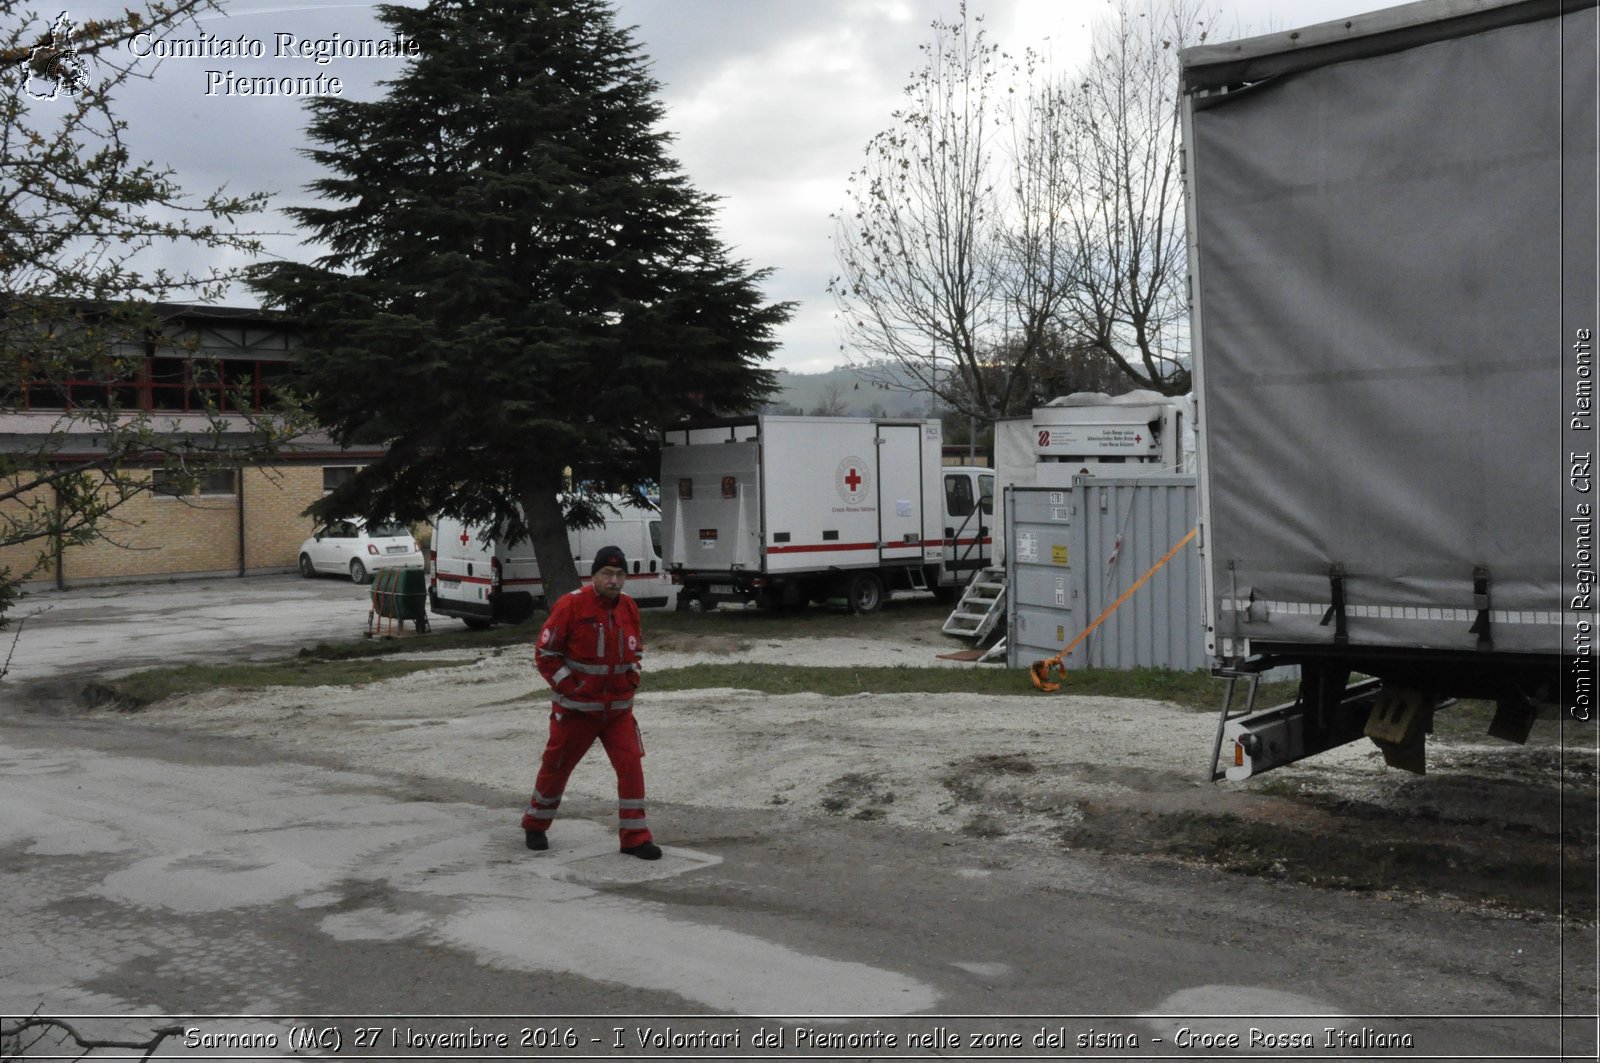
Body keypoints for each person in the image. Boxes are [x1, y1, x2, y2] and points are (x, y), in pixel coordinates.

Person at [522, 544, 661, 860]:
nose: (614, 580)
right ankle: (536, 824)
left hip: (618, 714)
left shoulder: (628, 607)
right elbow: (545, 654)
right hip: (576, 713)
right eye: (607, 574)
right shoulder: (570, 605)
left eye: (620, 574)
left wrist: (632, 679)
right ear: (594, 575)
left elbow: (636, 649)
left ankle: (635, 838)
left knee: (631, 768)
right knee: (556, 767)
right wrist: (571, 688)